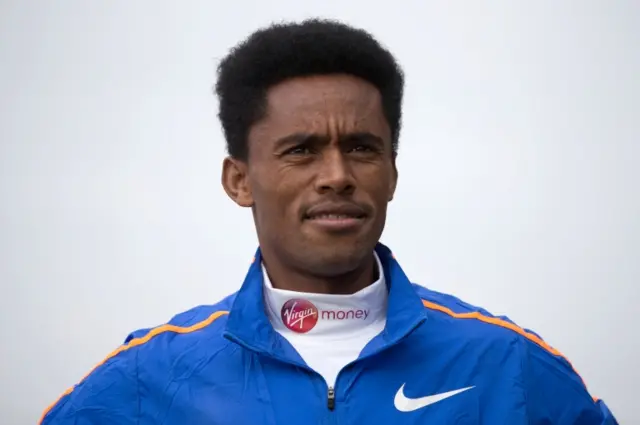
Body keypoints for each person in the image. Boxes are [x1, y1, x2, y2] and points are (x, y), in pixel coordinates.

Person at [40, 19, 618, 424]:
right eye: (301, 150)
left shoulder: (508, 366)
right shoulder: (143, 382)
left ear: (392, 172)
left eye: (363, 148)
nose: (337, 175)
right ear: (238, 180)